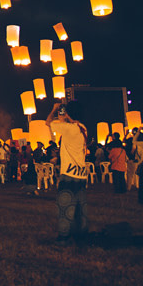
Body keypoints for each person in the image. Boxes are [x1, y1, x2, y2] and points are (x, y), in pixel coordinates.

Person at [47, 101, 89, 244]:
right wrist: (67, 117)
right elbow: (68, 122)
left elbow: (48, 123)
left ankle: (63, 237)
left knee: (65, 206)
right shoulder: (82, 128)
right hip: (81, 174)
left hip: (69, 173)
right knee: (80, 206)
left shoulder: (68, 129)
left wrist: (54, 109)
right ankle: (81, 234)